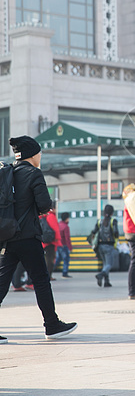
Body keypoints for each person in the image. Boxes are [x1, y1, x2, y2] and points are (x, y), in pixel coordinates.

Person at [0, 135, 77, 340]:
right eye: (39, 152)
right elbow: (44, 205)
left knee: (1, 283)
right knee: (41, 281)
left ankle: (52, 324)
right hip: (28, 237)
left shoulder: (7, 172)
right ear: (32, 155)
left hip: (6, 238)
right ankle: (52, 325)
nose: (40, 155)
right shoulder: (33, 173)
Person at [91, 204, 119, 287]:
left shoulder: (100, 221)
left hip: (100, 246)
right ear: (112, 212)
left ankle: (106, 282)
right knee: (109, 264)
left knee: (105, 263)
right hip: (109, 245)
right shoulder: (113, 221)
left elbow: (94, 231)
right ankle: (101, 275)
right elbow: (115, 233)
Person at [42, 203, 61, 281]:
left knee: (47, 259)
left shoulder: (45, 216)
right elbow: (55, 229)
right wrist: (58, 240)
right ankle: (48, 275)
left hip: (45, 242)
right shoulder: (51, 216)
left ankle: (47, 275)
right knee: (50, 260)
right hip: (51, 242)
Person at [55, 212, 73, 278]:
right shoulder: (66, 227)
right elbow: (67, 238)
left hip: (58, 245)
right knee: (66, 259)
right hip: (64, 245)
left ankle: (49, 270)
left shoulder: (58, 225)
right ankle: (65, 273)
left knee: (58, 259)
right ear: (67, 218)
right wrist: (70, 247)